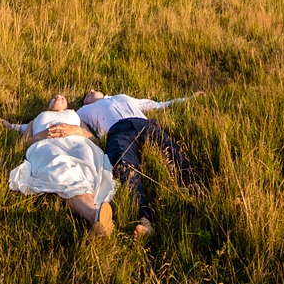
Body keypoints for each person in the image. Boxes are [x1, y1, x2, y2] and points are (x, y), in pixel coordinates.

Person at [75, 89, 204, 240]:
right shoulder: (83, 111)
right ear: (85, 102)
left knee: (173, 153)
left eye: (93, 90)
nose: (91, 90)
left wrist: (189, 98)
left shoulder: (122, 96)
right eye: (87, 94)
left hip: (145, 124)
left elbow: (155, 105)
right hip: (117, 131)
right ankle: (145, 219)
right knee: (125, 167)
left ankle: (198, 191)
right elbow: (70, 121)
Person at [0, 93, 116, 236]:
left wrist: (77, 130)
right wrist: (41, 135)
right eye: (54, 97)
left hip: (77, 143)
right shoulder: (35, 120)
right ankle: (94, 215)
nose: (58, 97)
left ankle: (96, 217)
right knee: (64, 168)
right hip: (47, 145)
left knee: (84, 165)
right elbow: (23, 143)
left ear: (67, 106)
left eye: (62, 98)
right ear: (48, 105)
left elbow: (94, 140)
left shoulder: (75, 117)